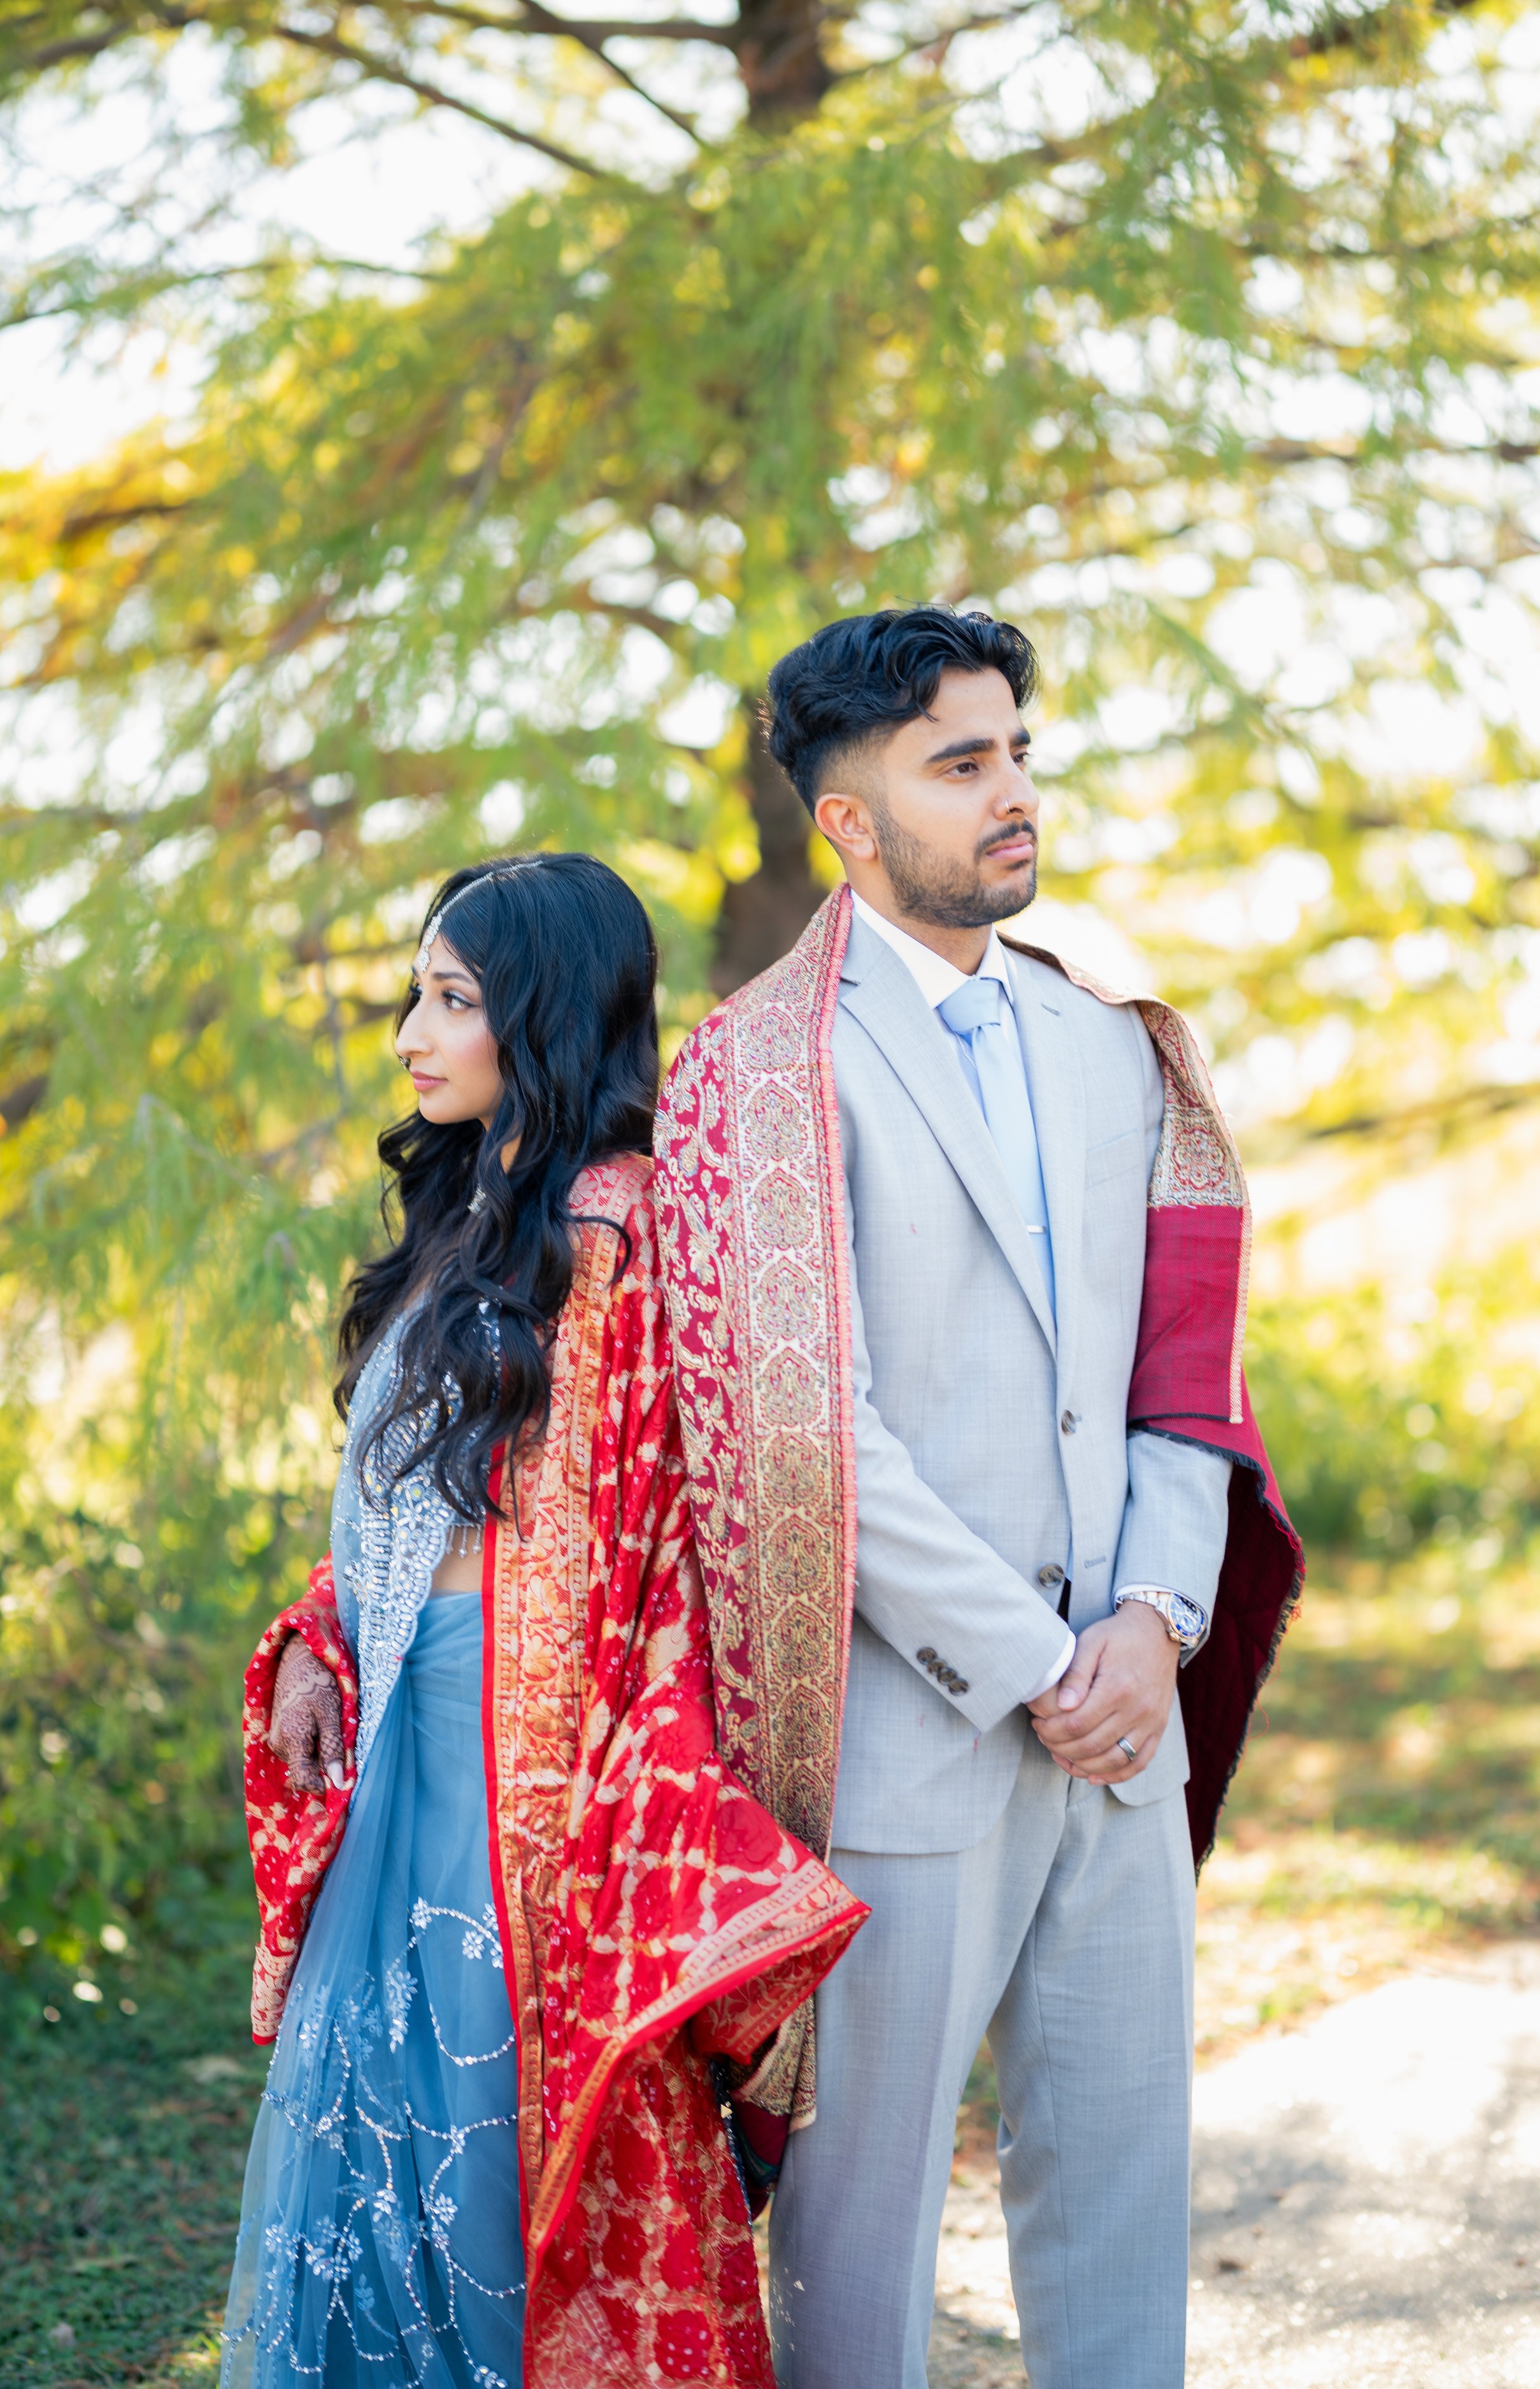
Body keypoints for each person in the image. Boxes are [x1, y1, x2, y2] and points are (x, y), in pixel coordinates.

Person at [651, 608, 1304, 2389]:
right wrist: (1036, 1656)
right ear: (845, 822)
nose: (1012, 793)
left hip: (1124, 1712)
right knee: (859, 2245)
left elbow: (1191, 1370)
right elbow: (802, 1425)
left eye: (1014, 748)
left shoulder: (1121, 1049)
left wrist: (1155, 1621)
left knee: (1117, 2202)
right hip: (911, 1733)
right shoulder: (748, 1074)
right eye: (960, 764)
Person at [221, 853, 865, 2389]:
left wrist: (595, 1809)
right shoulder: (475, 1214)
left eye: (450, 1001)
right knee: (376, 2140)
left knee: (498, 2141)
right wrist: (324, 1630)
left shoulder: (623, 1239)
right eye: (417, 995)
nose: (407, 1035)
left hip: (540, 1789)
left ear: (544, 1016)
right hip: (407, 1740)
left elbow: (650, 1554)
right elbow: (421, 1495)